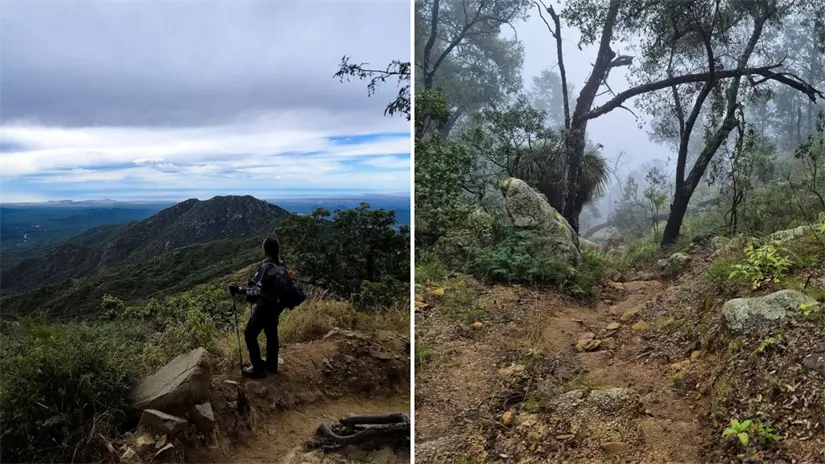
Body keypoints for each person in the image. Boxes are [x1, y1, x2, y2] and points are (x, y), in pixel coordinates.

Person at [229, 236, 290, 378]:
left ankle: (257, 369)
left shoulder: (266, 267)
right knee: (271, 334)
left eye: (262, 247)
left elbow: (256, 291)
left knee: (249, 334)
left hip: (265, 307)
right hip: (276, 306)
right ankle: (272, 366)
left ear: (266, 250)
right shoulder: (280, 264)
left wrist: (239, 290)